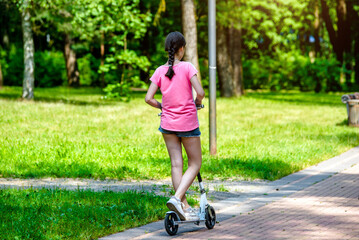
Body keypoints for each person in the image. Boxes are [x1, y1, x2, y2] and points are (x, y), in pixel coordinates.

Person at [145, 31, 205, 221]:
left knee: (176, 164)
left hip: (168, 123)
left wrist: (163, 106)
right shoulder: (187, 67)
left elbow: (148, 98)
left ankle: (184, 205)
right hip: (187, 123)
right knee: (195, 163)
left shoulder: (159, 71)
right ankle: (178, 198)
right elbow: (201, 92)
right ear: (181, 48)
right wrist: (196, 102)